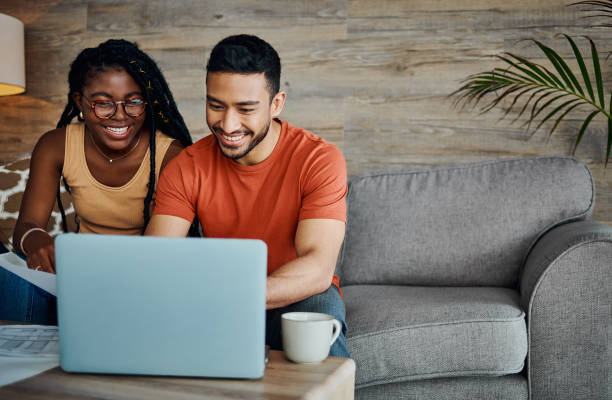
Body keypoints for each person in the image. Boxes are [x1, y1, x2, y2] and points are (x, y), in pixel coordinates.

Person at [146, 34, 350, 357]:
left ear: (276, 104)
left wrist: (232, 295)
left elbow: (317, 267)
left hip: (297, 295)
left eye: (245, 109)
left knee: (321, 311)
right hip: (218, 297)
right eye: (216, 105)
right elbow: (153, 262)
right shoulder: (187, 166)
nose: (228, 124)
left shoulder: (319, 159)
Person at [0, 39, 193, 324]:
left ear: (147, 101)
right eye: (103, 103)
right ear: (79, 101)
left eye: (134, 101)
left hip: (142, 281)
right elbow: (26, 227)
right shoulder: (56, 145)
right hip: (77, 277)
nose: (119, 115)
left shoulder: (170, 155)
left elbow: (161, 253)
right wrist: (39, 243)